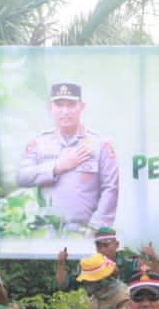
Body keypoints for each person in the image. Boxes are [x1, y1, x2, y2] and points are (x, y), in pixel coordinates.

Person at [15, 81, 119, 232]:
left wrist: (97, 228)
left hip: (86, 233)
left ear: (82, 107)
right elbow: (23, 177)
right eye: (59, 105)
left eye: (71, 105)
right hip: (47, 233)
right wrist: (57, 167)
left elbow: (110, 188)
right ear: (50, 108)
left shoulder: (100, 145)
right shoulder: (38, 144)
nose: (65, 111)